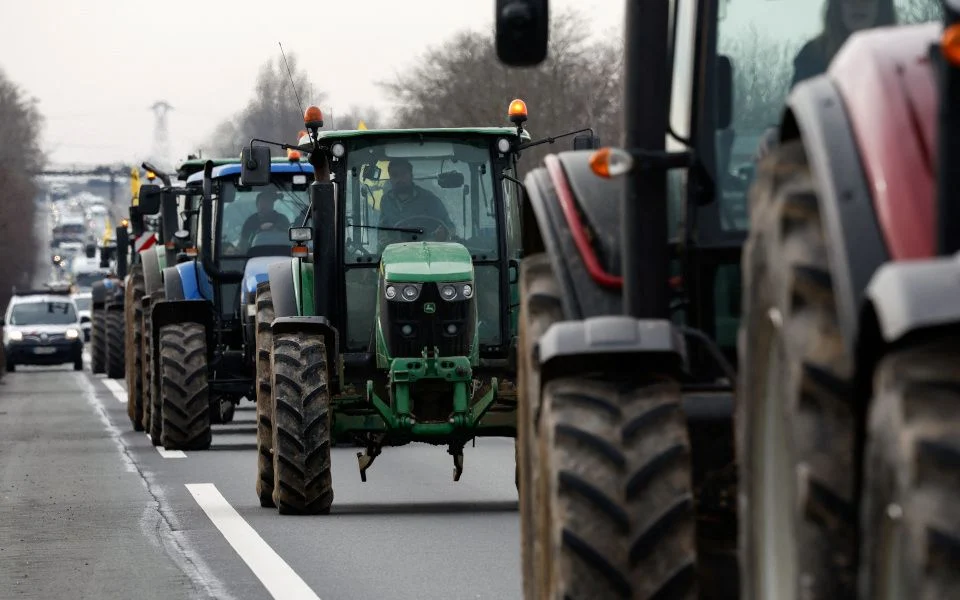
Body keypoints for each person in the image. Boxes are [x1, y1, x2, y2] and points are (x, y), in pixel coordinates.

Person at [756, 0, 897, 159]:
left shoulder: (899, 56)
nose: (858, 4)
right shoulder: (813, 55)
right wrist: (777, 133)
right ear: (837, 5)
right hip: (828, 158)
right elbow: (797, 117)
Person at [377, 159, 455, 246]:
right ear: (390, 178)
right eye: (395, 175)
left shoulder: (429, 199)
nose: (399, 179)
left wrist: (444, 233)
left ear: (411, 175)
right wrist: (386, 241)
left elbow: (449, 227)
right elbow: (381, 232)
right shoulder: (386, 201)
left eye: (403, 174)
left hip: (427, 250)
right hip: (397, 251)